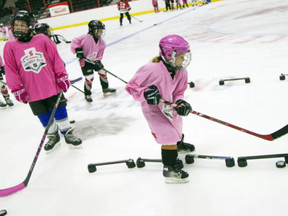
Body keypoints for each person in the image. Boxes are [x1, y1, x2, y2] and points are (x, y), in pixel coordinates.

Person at [3, 11, 82, 153]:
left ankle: (67, 133)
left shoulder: (42, 39)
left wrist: (61, 75)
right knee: (42, 113)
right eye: (16, 25)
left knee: (59, 109)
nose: (19, 28)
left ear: (31, 26)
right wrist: (16, 88)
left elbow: (55, 59)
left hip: (50, 84)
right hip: (31, 89)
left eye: (22, 25)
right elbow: (10, 70)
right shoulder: (10, 46)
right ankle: (53, 136)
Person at [125, 35, 195, 184]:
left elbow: (178, 92)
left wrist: (180, 102)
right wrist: (145, 93)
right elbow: (131, 87)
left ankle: (178, 145)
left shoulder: (181, 71)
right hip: (153, 110)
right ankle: (169, 169)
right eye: (181, 56)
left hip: (169, 106)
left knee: (177, 126)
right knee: (168, 135)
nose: (183, 60)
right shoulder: (150, 69)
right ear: (170, 55)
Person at [70, 20, 116, 102]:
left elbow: (100, 53)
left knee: (103, 72)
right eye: (99, 31)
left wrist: (98, 60)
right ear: (93, 30)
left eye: (102, 31)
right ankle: (87, 94)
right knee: (89, 77)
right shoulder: (85, 37)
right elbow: (75, 42)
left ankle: (105, 88)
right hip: (85, 62)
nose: (101, 33)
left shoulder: (102, 42)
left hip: (94, 61)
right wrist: (78, 51)